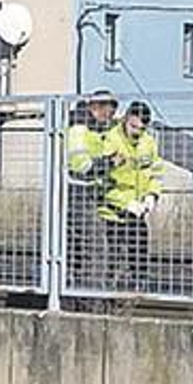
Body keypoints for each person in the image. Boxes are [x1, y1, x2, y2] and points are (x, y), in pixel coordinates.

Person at [99, 100, 163, 291]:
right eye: (133, 126)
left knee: (140, 251)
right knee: (113, 255)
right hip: (113, 212)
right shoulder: (110, 141)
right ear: (125, 119)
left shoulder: (148, 142)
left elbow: (155, 172)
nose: (136, 132)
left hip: (138, 211)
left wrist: (152, 194)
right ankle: (108, 289)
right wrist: (126, 203)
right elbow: (102, 181)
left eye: (141, 128)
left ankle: (138, 287)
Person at [66, 89, 118, 289]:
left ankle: (77, 289)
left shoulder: (94, 130)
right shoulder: (79, 129)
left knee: (78, 246)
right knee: (95, 245)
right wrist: (108, 163)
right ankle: (91, 292)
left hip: (88, 194)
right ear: (95, 107)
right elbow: (80, 165)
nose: (109, 117)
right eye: (108, 112)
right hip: (77, 193)